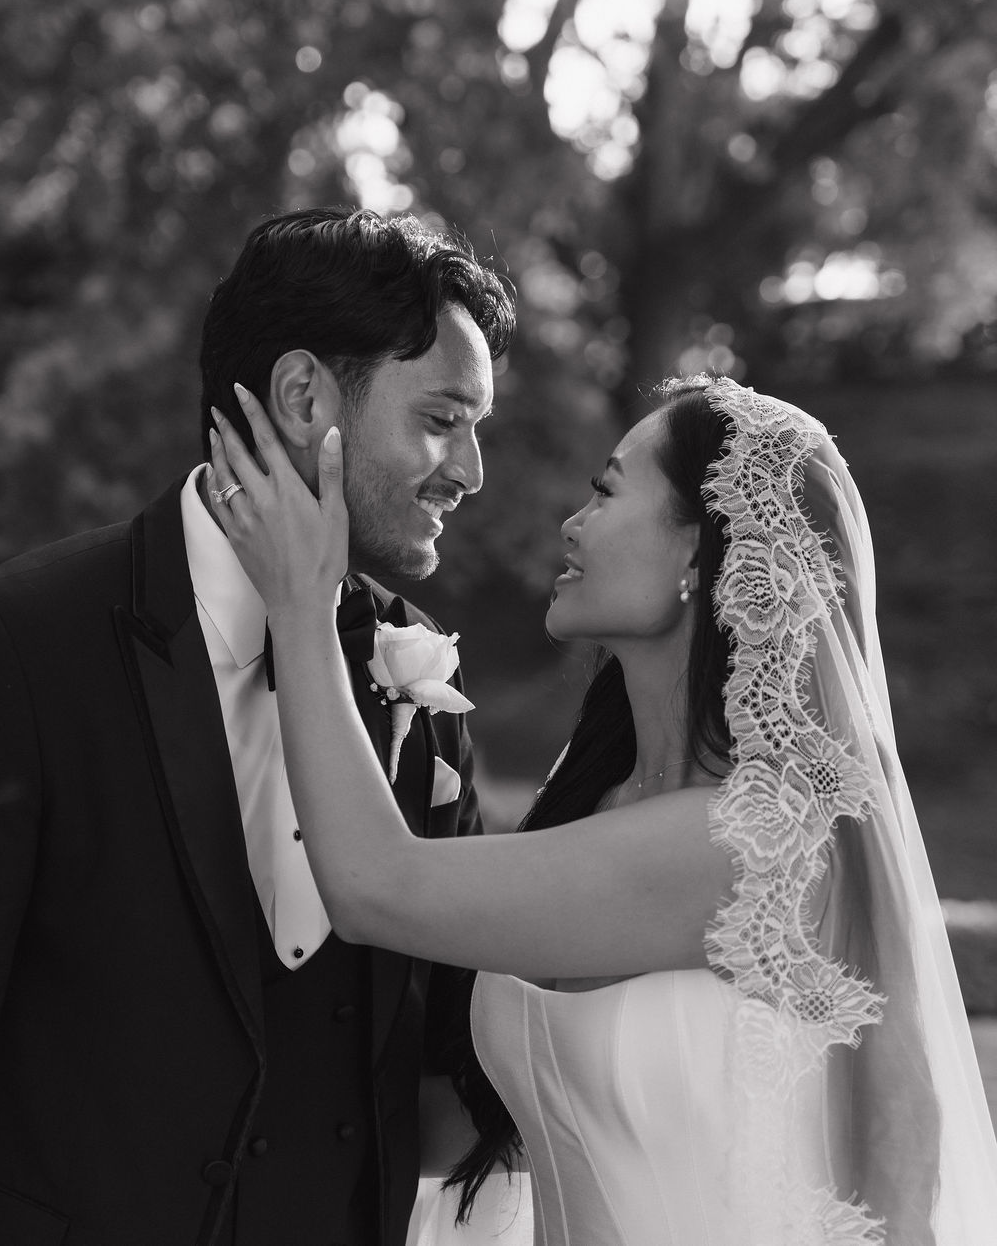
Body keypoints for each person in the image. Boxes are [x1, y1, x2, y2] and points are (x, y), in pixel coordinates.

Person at [208, 371, 997, 1245]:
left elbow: (373, 885)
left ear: (701, 551)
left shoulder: (754, 840)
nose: (571, 524)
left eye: (606, 491)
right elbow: (480, 1125)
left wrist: (301, 606)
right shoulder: (595, 803)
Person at [0, 206, 517, 1246]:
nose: (471, 471)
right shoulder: (20, 644)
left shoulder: (418, 673)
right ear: (304, 394)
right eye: (443, 418)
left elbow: (457, 1033)